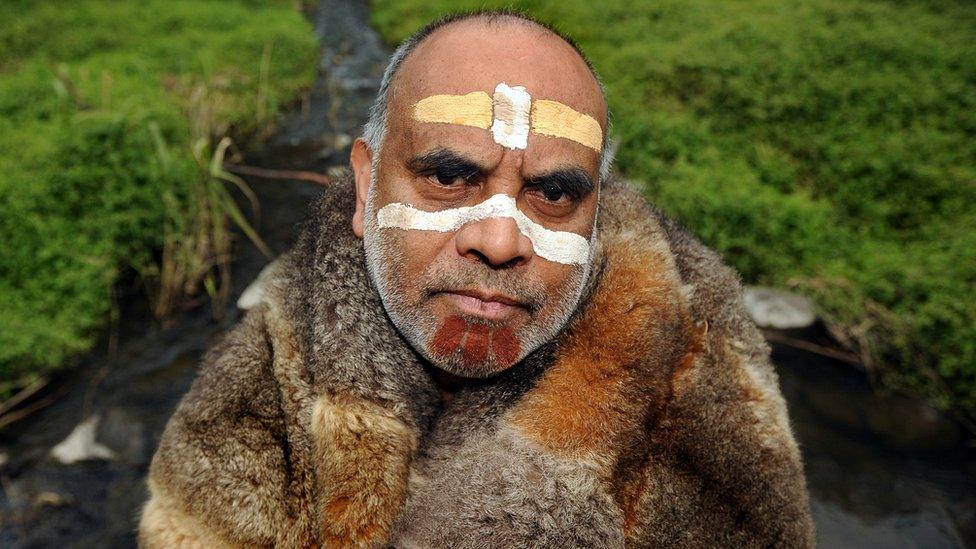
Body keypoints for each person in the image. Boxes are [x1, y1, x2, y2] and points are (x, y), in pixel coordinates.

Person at [139, 11, 814, 548]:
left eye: (553, 192)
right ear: (367, 182)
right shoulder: (255, 389)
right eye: (448, 176)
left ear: (597, 213)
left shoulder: (709, 405)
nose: (498, 240)